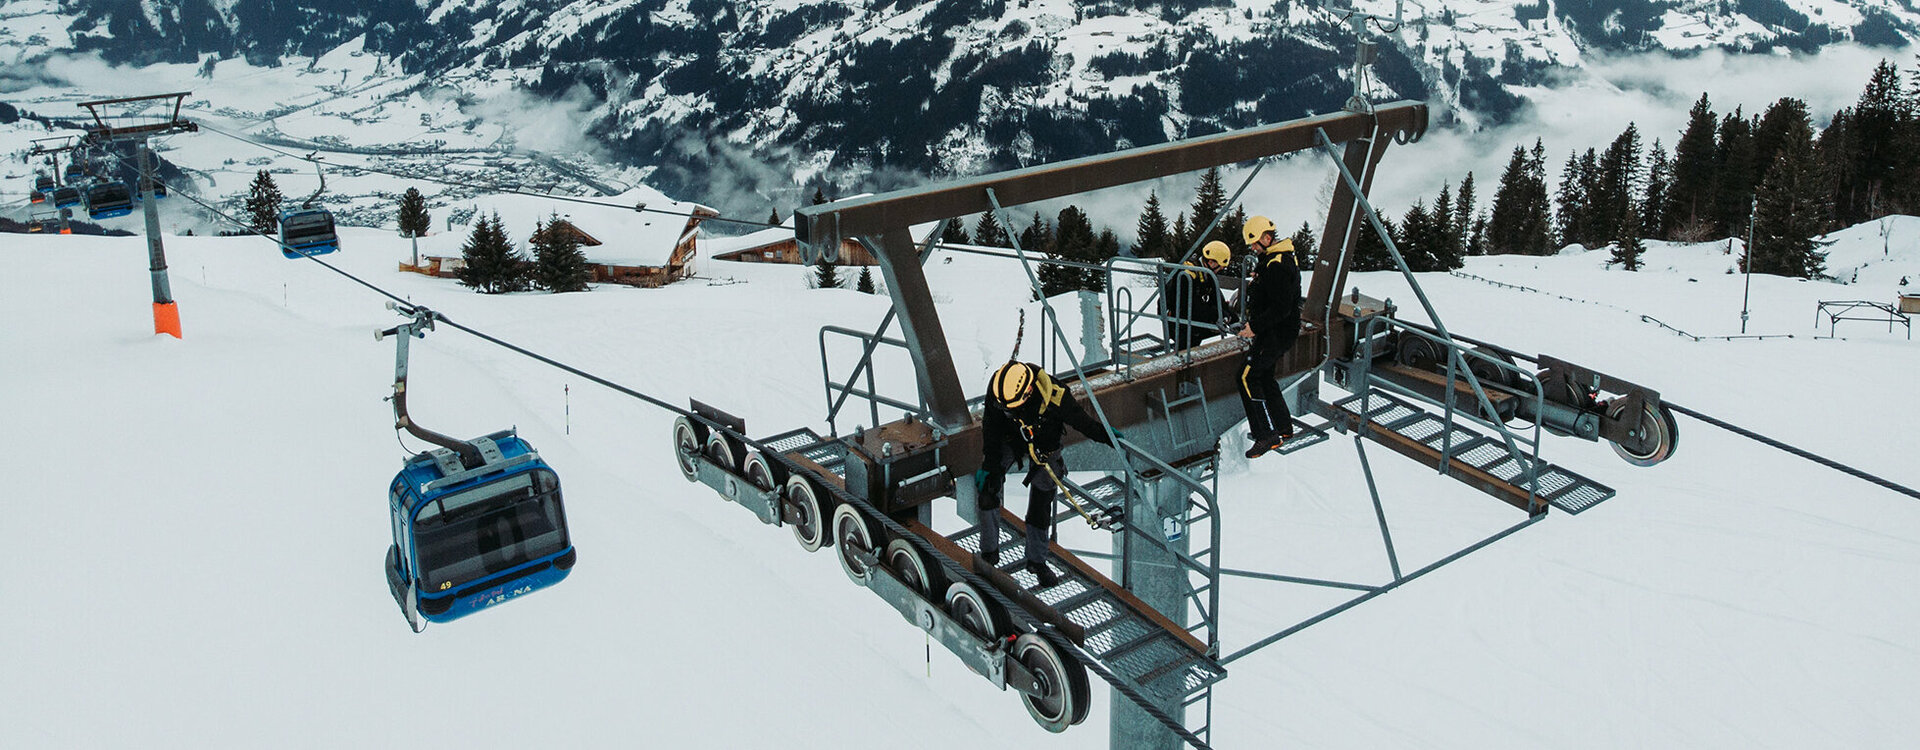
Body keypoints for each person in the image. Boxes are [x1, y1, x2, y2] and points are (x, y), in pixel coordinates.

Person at [973, 360, 1113, 587]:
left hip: (1045, 446)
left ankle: (1036, 561)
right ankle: (989, 553)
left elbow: (1081, 421)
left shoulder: (1056, 397)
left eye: (1012, 408)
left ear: (1028, 393)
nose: (1008, 411)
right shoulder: (999, 389)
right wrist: (990, 466)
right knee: (988, 490)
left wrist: (1107, 436)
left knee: (1042, 499)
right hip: (1009, 439)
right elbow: (991, 426)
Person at [1237, 215, 1300, 459]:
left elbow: (1281, 307)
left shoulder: (1277, 264)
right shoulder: (1276, 259)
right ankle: (1284, 427)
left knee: (1246, 377)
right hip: (1280, 331)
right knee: (1266, 377)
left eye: (1255, 243)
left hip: (1274, 333)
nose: (1253, 248)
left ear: (1266, 237)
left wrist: (1254, 326)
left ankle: (1264, 434)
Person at [1161, 240, 1235, 350]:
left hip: (1191, 315)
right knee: (1189, 340)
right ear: (1211, 262)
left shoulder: (1207, 273)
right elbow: (1189, 307)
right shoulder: (1187, 275)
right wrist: (1217, 314)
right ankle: (1183, 358)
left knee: (1200, 332)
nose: (1220, 270)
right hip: (1176, 316)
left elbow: (1217, 298)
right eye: (1220, 267)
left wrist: (1233, 319)